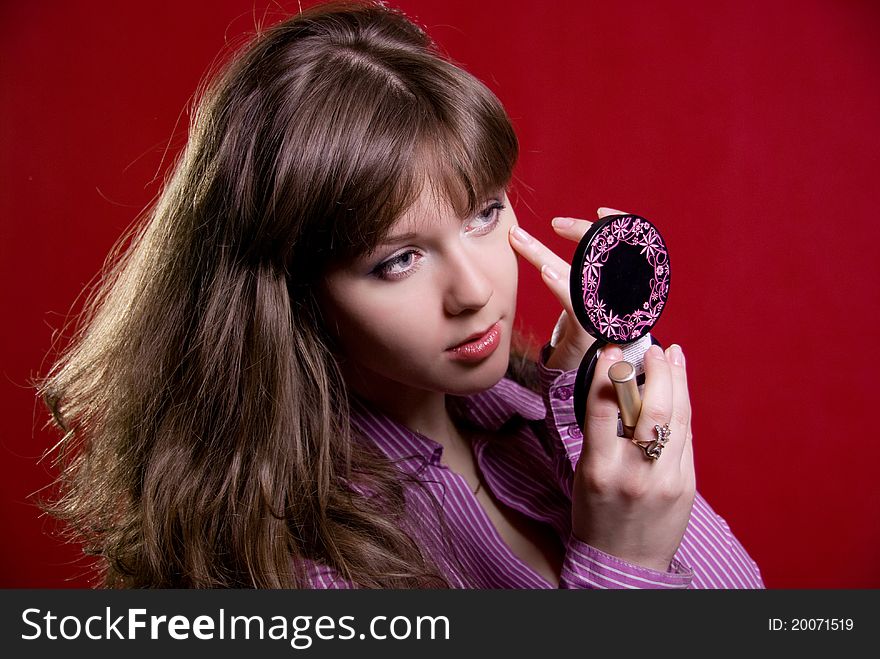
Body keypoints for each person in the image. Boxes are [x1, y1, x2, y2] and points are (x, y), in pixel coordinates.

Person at [40, 0, 763, 589]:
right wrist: (626, 563)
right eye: (399, 259)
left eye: (484, 213)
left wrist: (573, 409)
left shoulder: (531, 416)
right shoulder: (291, 573)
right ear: (290, 293)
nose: (477, 290)